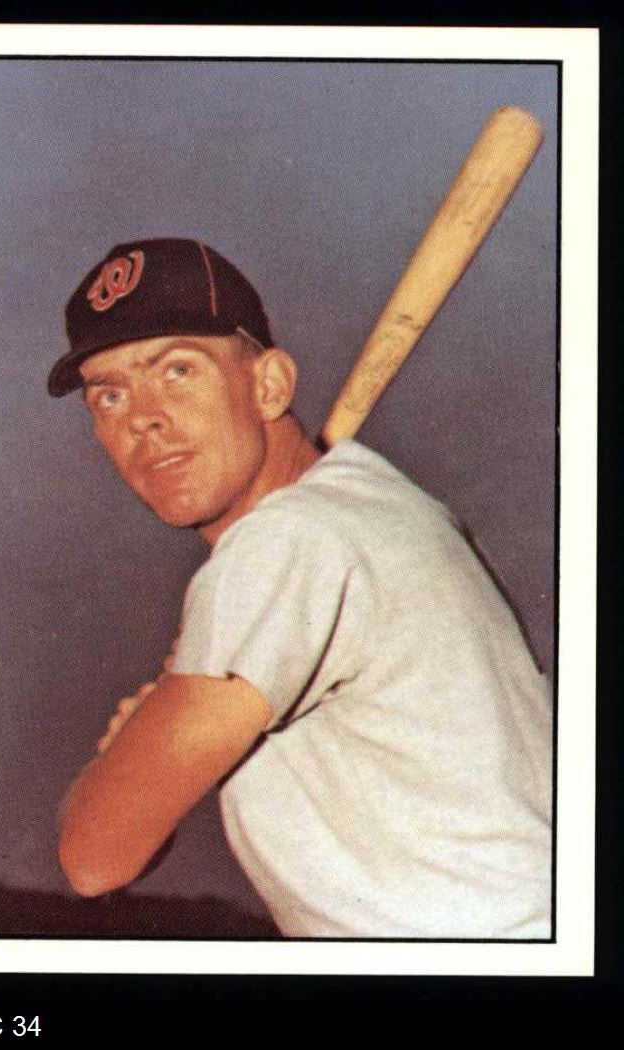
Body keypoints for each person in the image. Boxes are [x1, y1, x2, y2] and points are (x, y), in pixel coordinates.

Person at [50, 238, 552, 939]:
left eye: (177, 370)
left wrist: (126, 754)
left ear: (270, 386)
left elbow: (95, 858)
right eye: (109, 394)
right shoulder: (372, 503)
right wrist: (152, 742)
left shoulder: (289, 539)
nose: (142, 416)